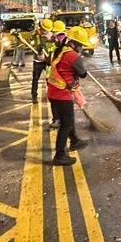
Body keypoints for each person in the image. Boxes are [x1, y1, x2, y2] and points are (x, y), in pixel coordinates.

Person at [47, 27, 91, 166]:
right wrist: (80, 63)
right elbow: (83, 74)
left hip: (53, 92)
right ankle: (59, 155)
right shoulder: (73, 56)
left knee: (68, 120)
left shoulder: (60, 51)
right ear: (74, 43)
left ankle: (75, 141)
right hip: (62, 94)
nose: (82, 47)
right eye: (81, 45)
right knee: (66, 124)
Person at [30, 19, 55, 103]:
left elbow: (53, 46)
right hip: (38, 61)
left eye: (47, 30)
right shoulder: (35, 35)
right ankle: (34, 96)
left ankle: (52, 95)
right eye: (44, 30)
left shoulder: (52, 35)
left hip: (48, 61)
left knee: (50, 79)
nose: (45, 32)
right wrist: (38, 48)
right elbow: (32, 44)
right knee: (35, 78)